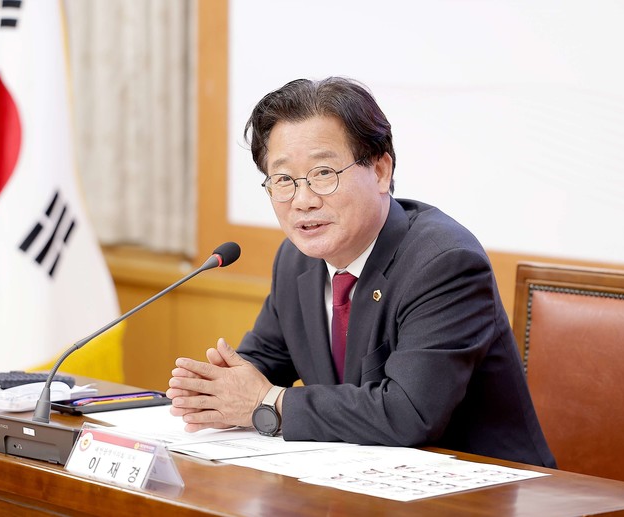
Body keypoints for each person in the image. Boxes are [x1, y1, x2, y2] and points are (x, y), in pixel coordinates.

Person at [166, 77, 556, 467]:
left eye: (323, 173)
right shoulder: (296, 259)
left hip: (479, 485)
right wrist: (214, 390)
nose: (303, 200)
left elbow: (409, 413)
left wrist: (268, 402)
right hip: (356, 477)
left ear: (381, 171)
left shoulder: (444, 262)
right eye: (283, 180)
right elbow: (264, 359)